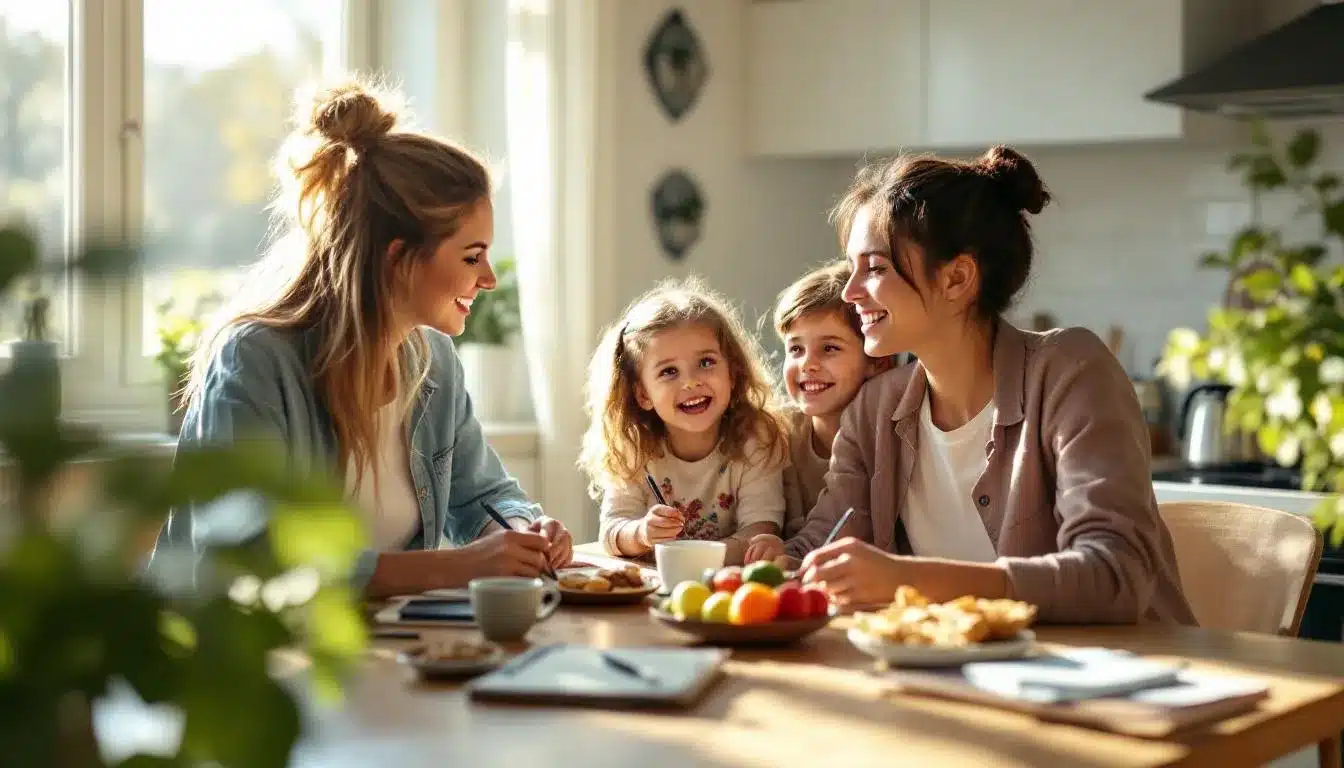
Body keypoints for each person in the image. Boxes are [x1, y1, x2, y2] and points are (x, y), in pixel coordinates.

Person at [148, 80, 573, 598]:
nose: (488, 278)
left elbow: (482, 494)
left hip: (390, 640)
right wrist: (453, 567)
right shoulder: (255, 359)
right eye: (471, 256)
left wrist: (520, 531)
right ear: (398, 258)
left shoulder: (434, 360)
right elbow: (250, 553)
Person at [749, 146, 1195, 625]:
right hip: (978, 665)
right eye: (852, 267)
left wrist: (910, 580)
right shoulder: (874, 410)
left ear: (957, 278)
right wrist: (760, 567)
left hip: (1131, 664)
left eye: (875, 268)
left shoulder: (1070, 370)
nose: (849, 291)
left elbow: (1114, 574)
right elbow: (821, 546)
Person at [578, 278, 789, 565]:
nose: (690, 382)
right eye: (669, 372)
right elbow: (612, 532)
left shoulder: (756, 438)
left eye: (706, 362)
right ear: (643, 394)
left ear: (733, 372)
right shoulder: (634, 447)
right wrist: (641, 533)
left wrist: (690, 558)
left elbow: (761, 532)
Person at [759, 260, 893, 546]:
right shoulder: (774, 434)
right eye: (796, 349)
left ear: (878, 361)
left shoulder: (886, 439)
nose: (807, 364)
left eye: (829, 348)